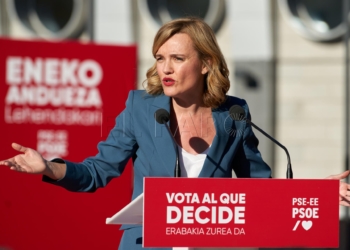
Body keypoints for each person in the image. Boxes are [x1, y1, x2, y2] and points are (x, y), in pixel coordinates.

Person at [1, 17, 349, 250]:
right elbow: (97, 172)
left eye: (178, 58)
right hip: (146, 244)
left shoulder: (234, 114)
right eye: (160, 57)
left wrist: (317, 194)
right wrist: (48, 167)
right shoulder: (141, 108)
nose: (165, 68)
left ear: (206, 63)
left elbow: (257, 190)